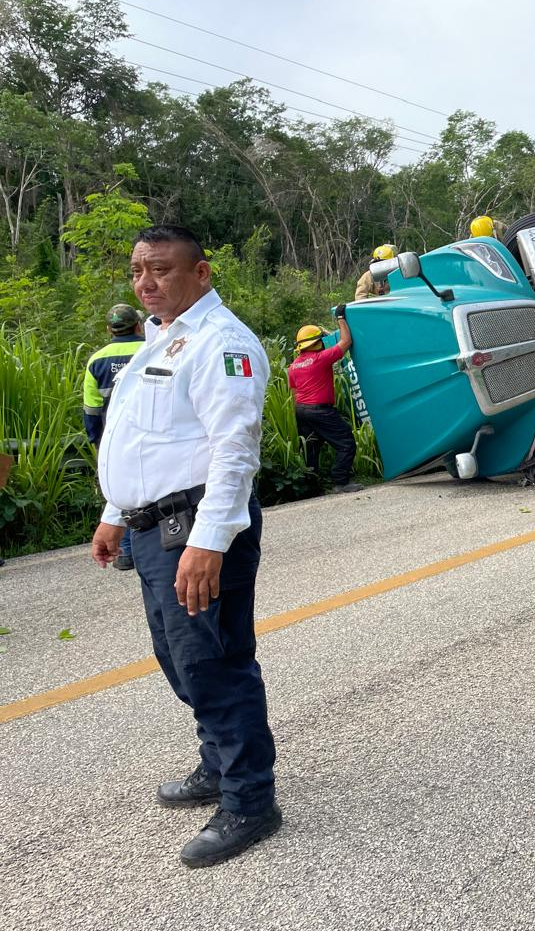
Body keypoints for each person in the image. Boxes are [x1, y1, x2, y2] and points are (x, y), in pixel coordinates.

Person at [90, 224, 280, 869]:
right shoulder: (162, 337)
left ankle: (250, 800)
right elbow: (144, 437)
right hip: (153, 529)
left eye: (162, 270)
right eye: (139, 270)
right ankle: (217, 761)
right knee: (177, 656)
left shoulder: (223, 342)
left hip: (197, 529)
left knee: (213, 661)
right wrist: (116, 512)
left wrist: (209, 543)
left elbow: (234, 450)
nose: (146, 282)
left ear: (200, 274)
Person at [83, 303, 146, 570]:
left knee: (120, 491)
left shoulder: (96, 359)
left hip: (113, 437)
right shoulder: (151, 350)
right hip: (149, 433)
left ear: (110, 329)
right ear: (138, 325)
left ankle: (125, 553)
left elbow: (91, 408)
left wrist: (96, 440)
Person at [288, 308, 362, 494]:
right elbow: (346, 341)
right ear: (316, 343)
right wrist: (340, 318)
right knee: (346, 441)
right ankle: (340, 481)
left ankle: (310, 489)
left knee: (311, 449)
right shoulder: (320, 359)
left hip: (301, 410)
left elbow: (294, 392)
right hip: (320, 410)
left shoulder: (294, 366)